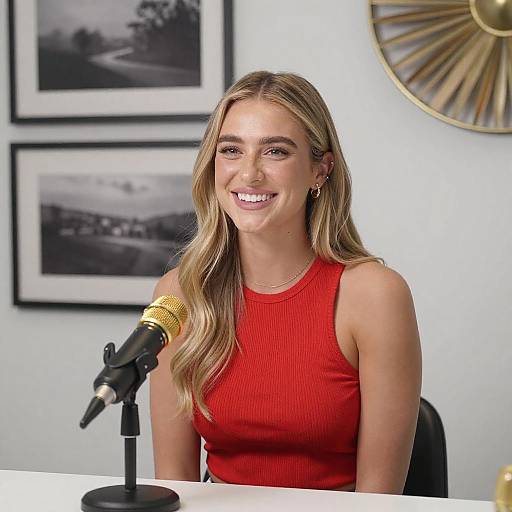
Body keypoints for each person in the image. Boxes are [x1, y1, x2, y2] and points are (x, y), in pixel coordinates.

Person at [150, 70, 422, 494]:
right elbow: (173, 486)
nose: (249, 174)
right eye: (231, 150)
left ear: (320, 170)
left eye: (276, 151)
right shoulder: (180, 295)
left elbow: (379, 500)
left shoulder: (374, 296)